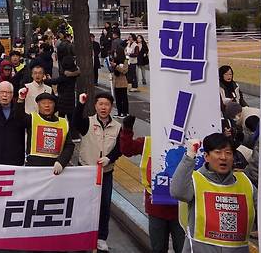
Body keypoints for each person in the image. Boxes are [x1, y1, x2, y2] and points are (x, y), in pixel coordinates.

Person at [170, 133, 256, 253]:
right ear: (206, 156)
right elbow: (177, 191)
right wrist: (190, 156)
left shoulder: (246, 183)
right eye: (218, 152)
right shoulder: (195, 180)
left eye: (228, 153)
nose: (223, 157)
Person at [120, 115, 184, 253]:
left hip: (181, 209)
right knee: (158, 248)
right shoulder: (148, 142)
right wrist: (127, 129)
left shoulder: (188, 144)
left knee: (182, 248)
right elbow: (127, 150)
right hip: (156, 208)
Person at [73, 92, 121, 252]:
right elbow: (75, 123)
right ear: (95, 106)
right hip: (86, 171)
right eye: (100, 104)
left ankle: (101, 237)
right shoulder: (87, 122)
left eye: (106, 104)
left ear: (111, 107)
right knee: (84, 204)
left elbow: (120, 148)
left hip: (106, 172)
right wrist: (80, 105)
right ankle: (82, 235)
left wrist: (110, 158)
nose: (103, 107)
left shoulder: (117, 126)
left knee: (104, 205)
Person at [16, 91, 74, 173]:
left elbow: (69, 146)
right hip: (34, 167)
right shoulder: (32, 118)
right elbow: (19, 117)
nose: (47, 105)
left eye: (50, 103)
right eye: (43, 103)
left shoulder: (63, 123)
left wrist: (61, 162)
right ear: (38, 105)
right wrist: (21, 100)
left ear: (54, 105)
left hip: (55, 168)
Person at [44, 55, 79, 123]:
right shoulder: (74, 73)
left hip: (63, 98)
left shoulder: (65, 76)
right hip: (71, 97)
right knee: (70, 117)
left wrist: (46, 80)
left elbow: (55, 81)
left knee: (61, 117)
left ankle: (62, 129)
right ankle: (73, 131)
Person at [110, 47, 129, 117]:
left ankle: (125, 112)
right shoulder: (115, 60)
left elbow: (124, 71)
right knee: (117, 98)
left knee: (123, 98)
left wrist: (116, 66)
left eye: (116, 52)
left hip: (122, 82)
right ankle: (119, 112)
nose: (115, 54)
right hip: (116, 82)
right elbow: (112, 70)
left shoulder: (125, 61)